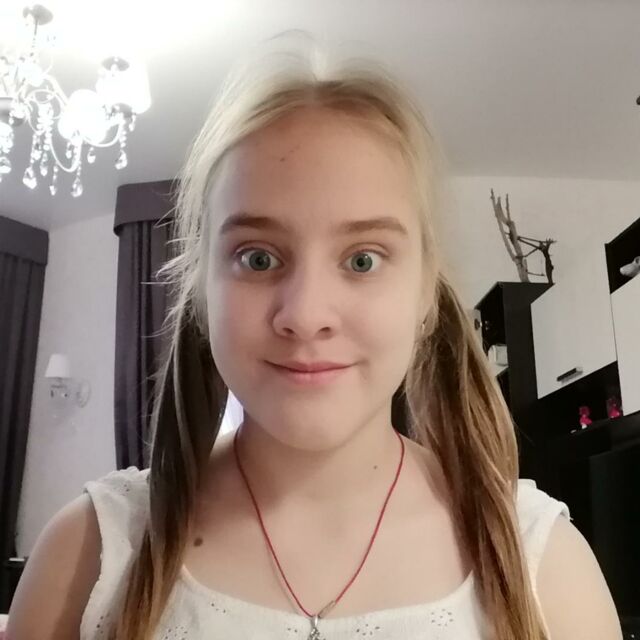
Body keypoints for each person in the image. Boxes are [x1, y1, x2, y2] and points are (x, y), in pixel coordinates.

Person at [7, 35, 622, 640]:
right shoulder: (85, 558)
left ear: (425, 296)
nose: (305, 315)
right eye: (257, 258)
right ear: (200, 293)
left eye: (362, 260)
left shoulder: (546, 568)